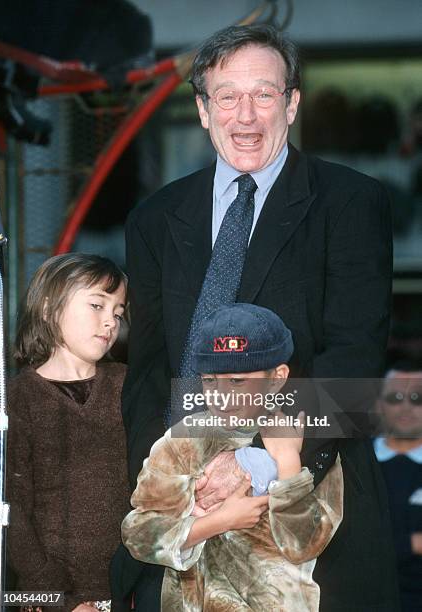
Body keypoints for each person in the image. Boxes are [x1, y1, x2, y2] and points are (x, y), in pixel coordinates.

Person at [116, 24, 400, 611]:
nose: (245, 116)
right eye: (227, 97)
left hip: (308, 511)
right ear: (202, 109)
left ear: (292, 104)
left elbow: (354, 360)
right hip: (186, 524)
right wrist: (168, 485)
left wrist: (257, 461)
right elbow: (145, 374)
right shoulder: (155, 219)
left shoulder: (350, 203)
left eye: (264, 94)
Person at [122, 304, 344, 611]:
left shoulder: (311, 439)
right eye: (210, 381)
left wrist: (289, 461)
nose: (221, 395)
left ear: (277, 377)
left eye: (238, 381)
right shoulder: (186, 438)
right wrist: (218, 521)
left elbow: (305, 545)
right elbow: (138, 533)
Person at [7, 253, 130, 612]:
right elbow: (12, 511)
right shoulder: (15, 399)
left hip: (125, 589)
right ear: (48, 307)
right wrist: (63, 601)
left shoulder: (127, 382)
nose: (110, 322)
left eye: (118, 314)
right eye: (97, 304)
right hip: (47, 597)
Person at [374, 360, 422, 612]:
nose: (406, 406)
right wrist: (412, 543)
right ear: (379, 405)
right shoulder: (349, 465)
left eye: (417, 397)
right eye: (395, 397)